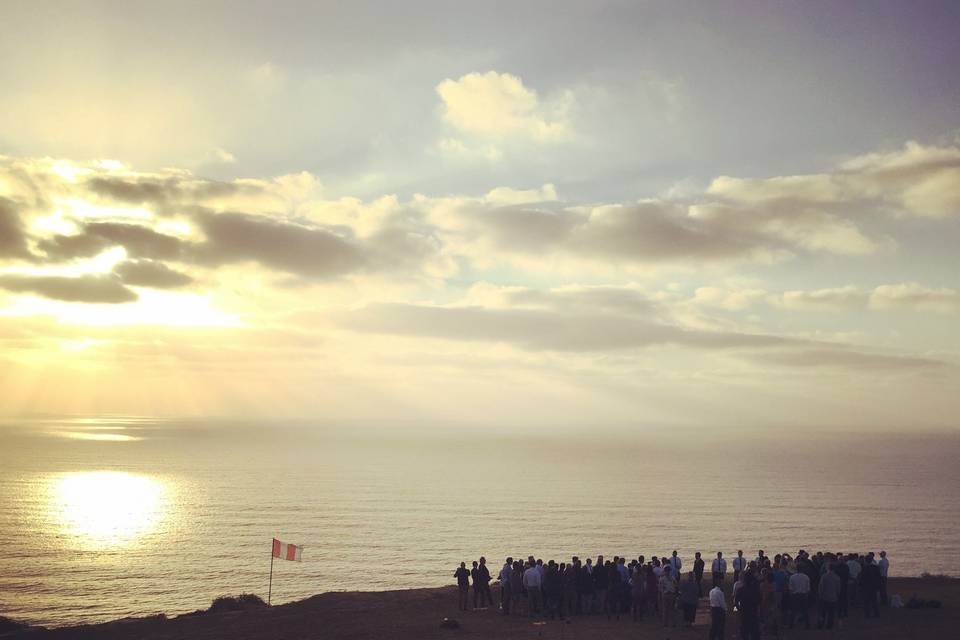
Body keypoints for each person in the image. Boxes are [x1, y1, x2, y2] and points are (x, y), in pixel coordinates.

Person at [738, 570, 762, 640]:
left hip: (744, 614)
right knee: (754, 634)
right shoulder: (756, 590)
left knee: (744, 634)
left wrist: (739, 608)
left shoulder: (740, 590)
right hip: (753, 614)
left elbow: (736, 601)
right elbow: (760, 602)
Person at [817, 562, 842, 629]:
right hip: (833, 597)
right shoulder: (837, 577)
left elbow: (821, 587)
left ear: (828, 568)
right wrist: (837, 595)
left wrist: (820, 595)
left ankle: (821, 625)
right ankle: (829, 625)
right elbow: (838, 589)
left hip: (824, 597)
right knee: (831, 613)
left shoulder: (824, 576)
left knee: (822, 613)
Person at [860, 553, 881, 618]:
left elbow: (862, 578)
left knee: (866, 602)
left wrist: (861, 585)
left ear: (866, 561)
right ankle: (876, 614)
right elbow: (879, 577)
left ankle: (867, 614)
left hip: (866, 587)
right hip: (873, 587)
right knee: (874, 601)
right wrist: (878, 586)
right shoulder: (875, 568)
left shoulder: (864, 568)